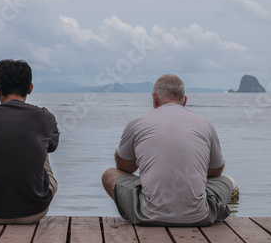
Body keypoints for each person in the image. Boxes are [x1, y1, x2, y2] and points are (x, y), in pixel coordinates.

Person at [101, 74, 238, 226]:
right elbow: (215, 171)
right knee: (225, 180)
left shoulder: (136, 123)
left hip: (146, 215)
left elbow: (125, 168)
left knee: (109, 174)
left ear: (154, 98)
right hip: (200, 217)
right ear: (185, 101)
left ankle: (135, 211)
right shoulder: (206, 124)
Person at [0, 59, 59, 224]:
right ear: (30, 88)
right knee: (42, 147)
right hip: (36, 211)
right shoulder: (46, 117)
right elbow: (52, 147)